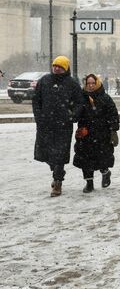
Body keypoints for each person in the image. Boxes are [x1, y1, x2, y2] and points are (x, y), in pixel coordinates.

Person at [32, 56, 84, 197]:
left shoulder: (72, 84)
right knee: (46, 154)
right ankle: (55, 168)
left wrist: (72, 116)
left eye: (60, 66)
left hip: (63, 126)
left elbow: (80, 102)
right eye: (55, 65)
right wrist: (39, 117)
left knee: (60, 154)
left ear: (65, 68)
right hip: (45, 124)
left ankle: (58, 181)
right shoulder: (44, 81)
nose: (56, 68)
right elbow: (36, 100)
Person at [73, 74, 120, 193]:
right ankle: (89, 183)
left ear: (97, 83)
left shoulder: (105, 98)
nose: (90, 86)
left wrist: (113, 130)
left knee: (102, 157)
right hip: (85, 134)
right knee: (86, 159)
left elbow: (113, 114)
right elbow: (76, 115)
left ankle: (105, 173)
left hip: (102, 134)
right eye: (88, 83)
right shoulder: (81, 98)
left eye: (93, 83)